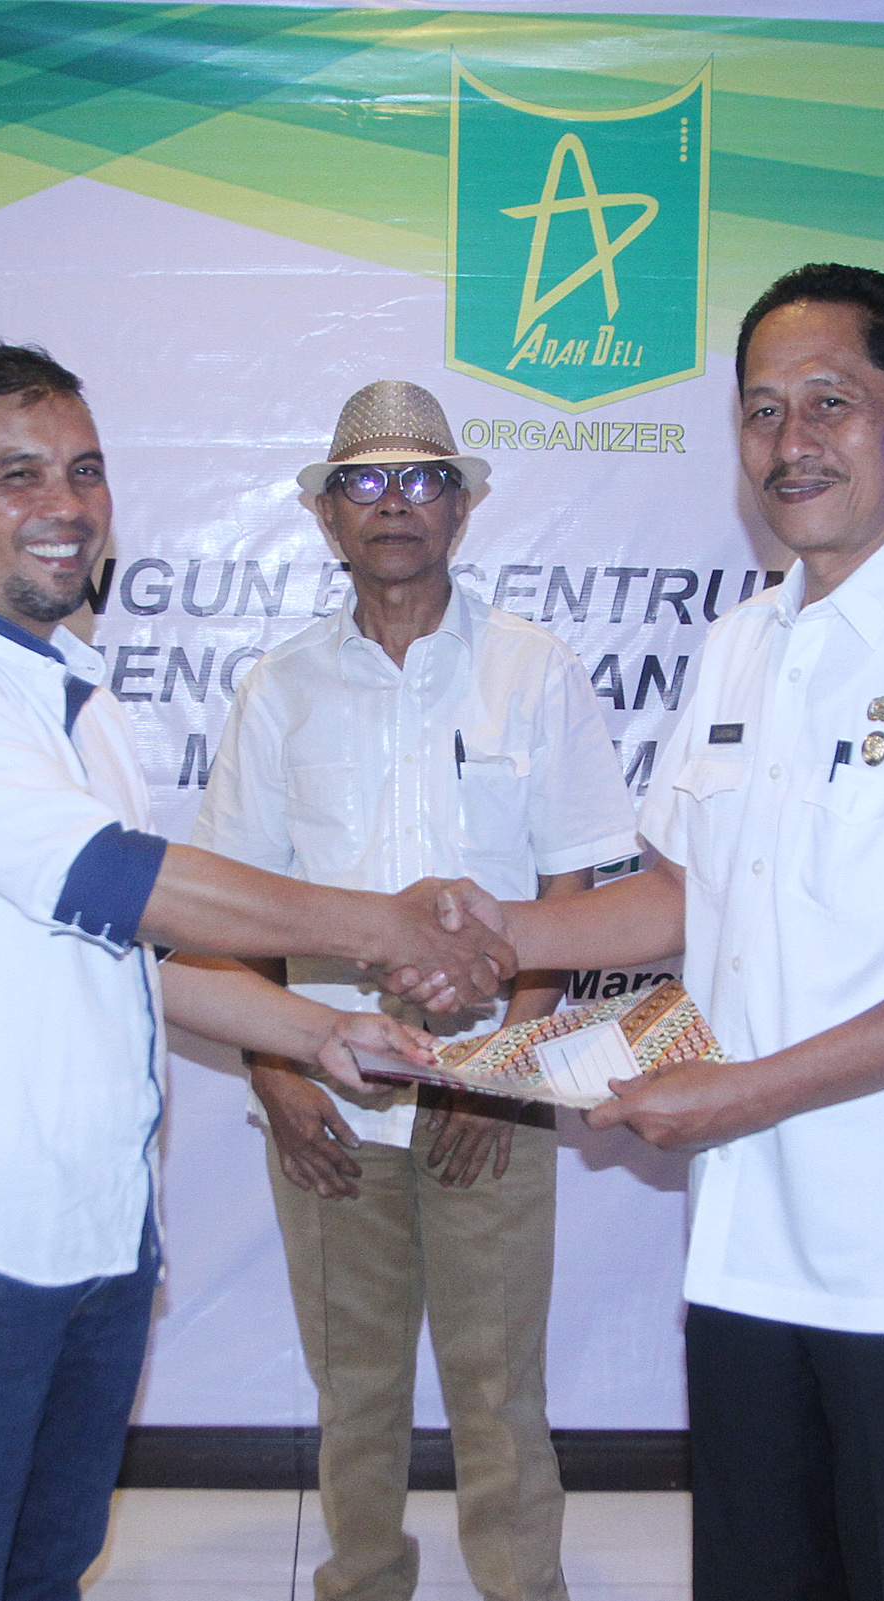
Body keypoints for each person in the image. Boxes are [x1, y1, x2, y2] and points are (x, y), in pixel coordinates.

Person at [407, 263, 884, 1600]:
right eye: (762, 410)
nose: (790, 442)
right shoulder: (737, 645)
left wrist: (746, 1091)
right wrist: (498, 928)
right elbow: (678, 893)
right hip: (742, 1240)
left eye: (830, 402)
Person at [0, 339, 517, 1601]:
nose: (65, 504)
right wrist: (386, 925)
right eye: (18, 474)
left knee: (46, 1567)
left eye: (84, 470)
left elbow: (135, 960)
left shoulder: (79, 700)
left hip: (95, 1230)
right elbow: (124, 883)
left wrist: (317, 1033)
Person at [194, 379, 639, 1601]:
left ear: (462, 506)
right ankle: (363, 1581)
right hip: (327, 1102)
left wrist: (503, 1077)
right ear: (326, 514)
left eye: (423, 479)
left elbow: (570, 891)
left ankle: (522, 1586)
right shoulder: (278, 687)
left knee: (500, 1389)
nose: (395, 503)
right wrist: (276, 1073)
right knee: (356, 1389)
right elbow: (232, 911)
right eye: (366, 482)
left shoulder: (533, 670)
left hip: (491, 1099)